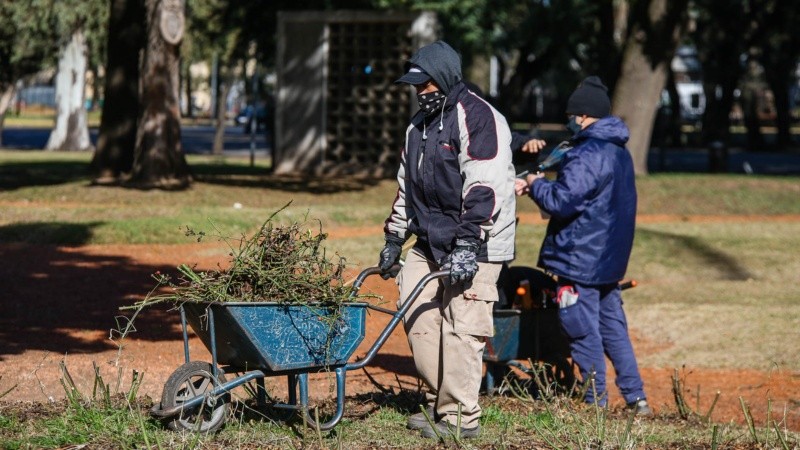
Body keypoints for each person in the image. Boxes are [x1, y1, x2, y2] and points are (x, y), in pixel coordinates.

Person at [378, 40, 517, 439]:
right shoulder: (417, 127)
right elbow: (407, 188)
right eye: (415, 87)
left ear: (445, 78)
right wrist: (394, 238)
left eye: (426, 85)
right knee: (417, 313)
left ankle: (460, 417)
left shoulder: (479, 118)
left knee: (462, 324)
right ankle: (440, 400)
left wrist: (468, 245)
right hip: (430, 238)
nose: (420, 93)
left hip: (478, 239)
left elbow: (485, 186)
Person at [514, 76, 652, 416]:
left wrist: (534, 183)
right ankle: (636, 397)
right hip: (608, 259)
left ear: (584, 115)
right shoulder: (619, 151)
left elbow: (562, 202)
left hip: (579, 259)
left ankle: (595, 403)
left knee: (581, 329)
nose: (569, 121)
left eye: (571, 115)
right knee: (613, 328)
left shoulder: (587, 153)